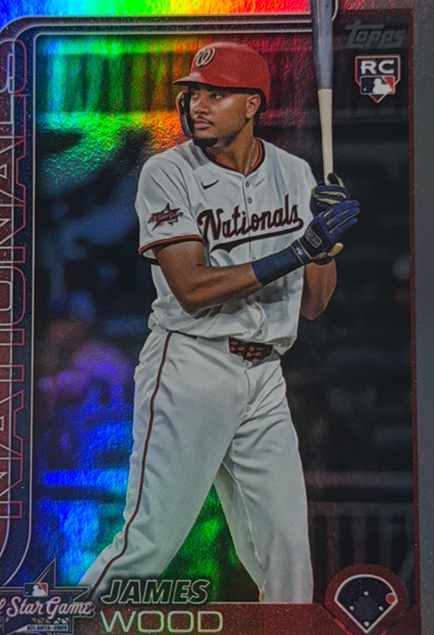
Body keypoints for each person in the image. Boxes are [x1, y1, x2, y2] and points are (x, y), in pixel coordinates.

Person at [77, 42, 358, 604]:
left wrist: (325, 246)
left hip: (266, 375)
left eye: (216, 94)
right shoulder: (167, 172)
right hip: (191, 365)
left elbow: (313, 305)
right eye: (194, 93)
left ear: (253, 105)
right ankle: (56, 633)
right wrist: (297, 251)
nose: (198, 105)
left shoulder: (294, 172)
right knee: (150, 543)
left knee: (286, 552)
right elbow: (191, 289)